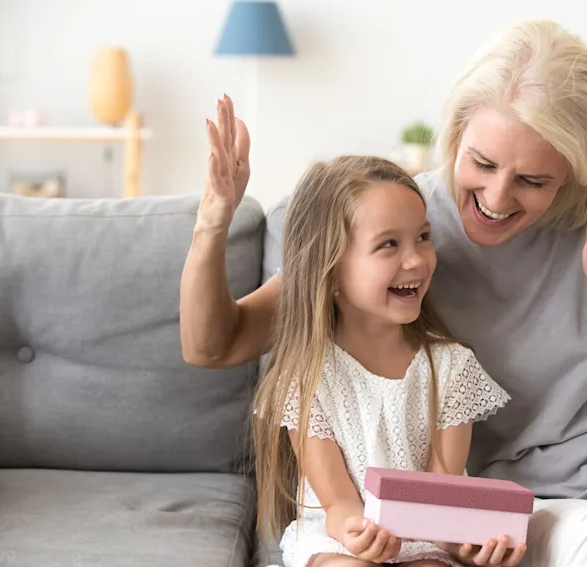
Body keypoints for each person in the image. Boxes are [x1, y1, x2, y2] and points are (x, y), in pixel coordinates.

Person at [180, 19, 587, 567]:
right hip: (504, 492)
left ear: (573, 169)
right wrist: (214, 219)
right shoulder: (405, 222)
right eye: (482, 163)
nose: (495, 197)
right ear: (457, 132)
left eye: (532, 180)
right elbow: (216, 344)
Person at [209, 149, 516, 567]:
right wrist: (362, 536)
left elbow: (440, 495)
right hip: (340, 536)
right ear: (331, 269)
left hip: (422, 536)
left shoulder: (450, 368)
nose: (416, 260)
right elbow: (337, 504)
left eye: (423, 237)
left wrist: (462, 543)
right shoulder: (308, 375)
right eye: (388, 244)